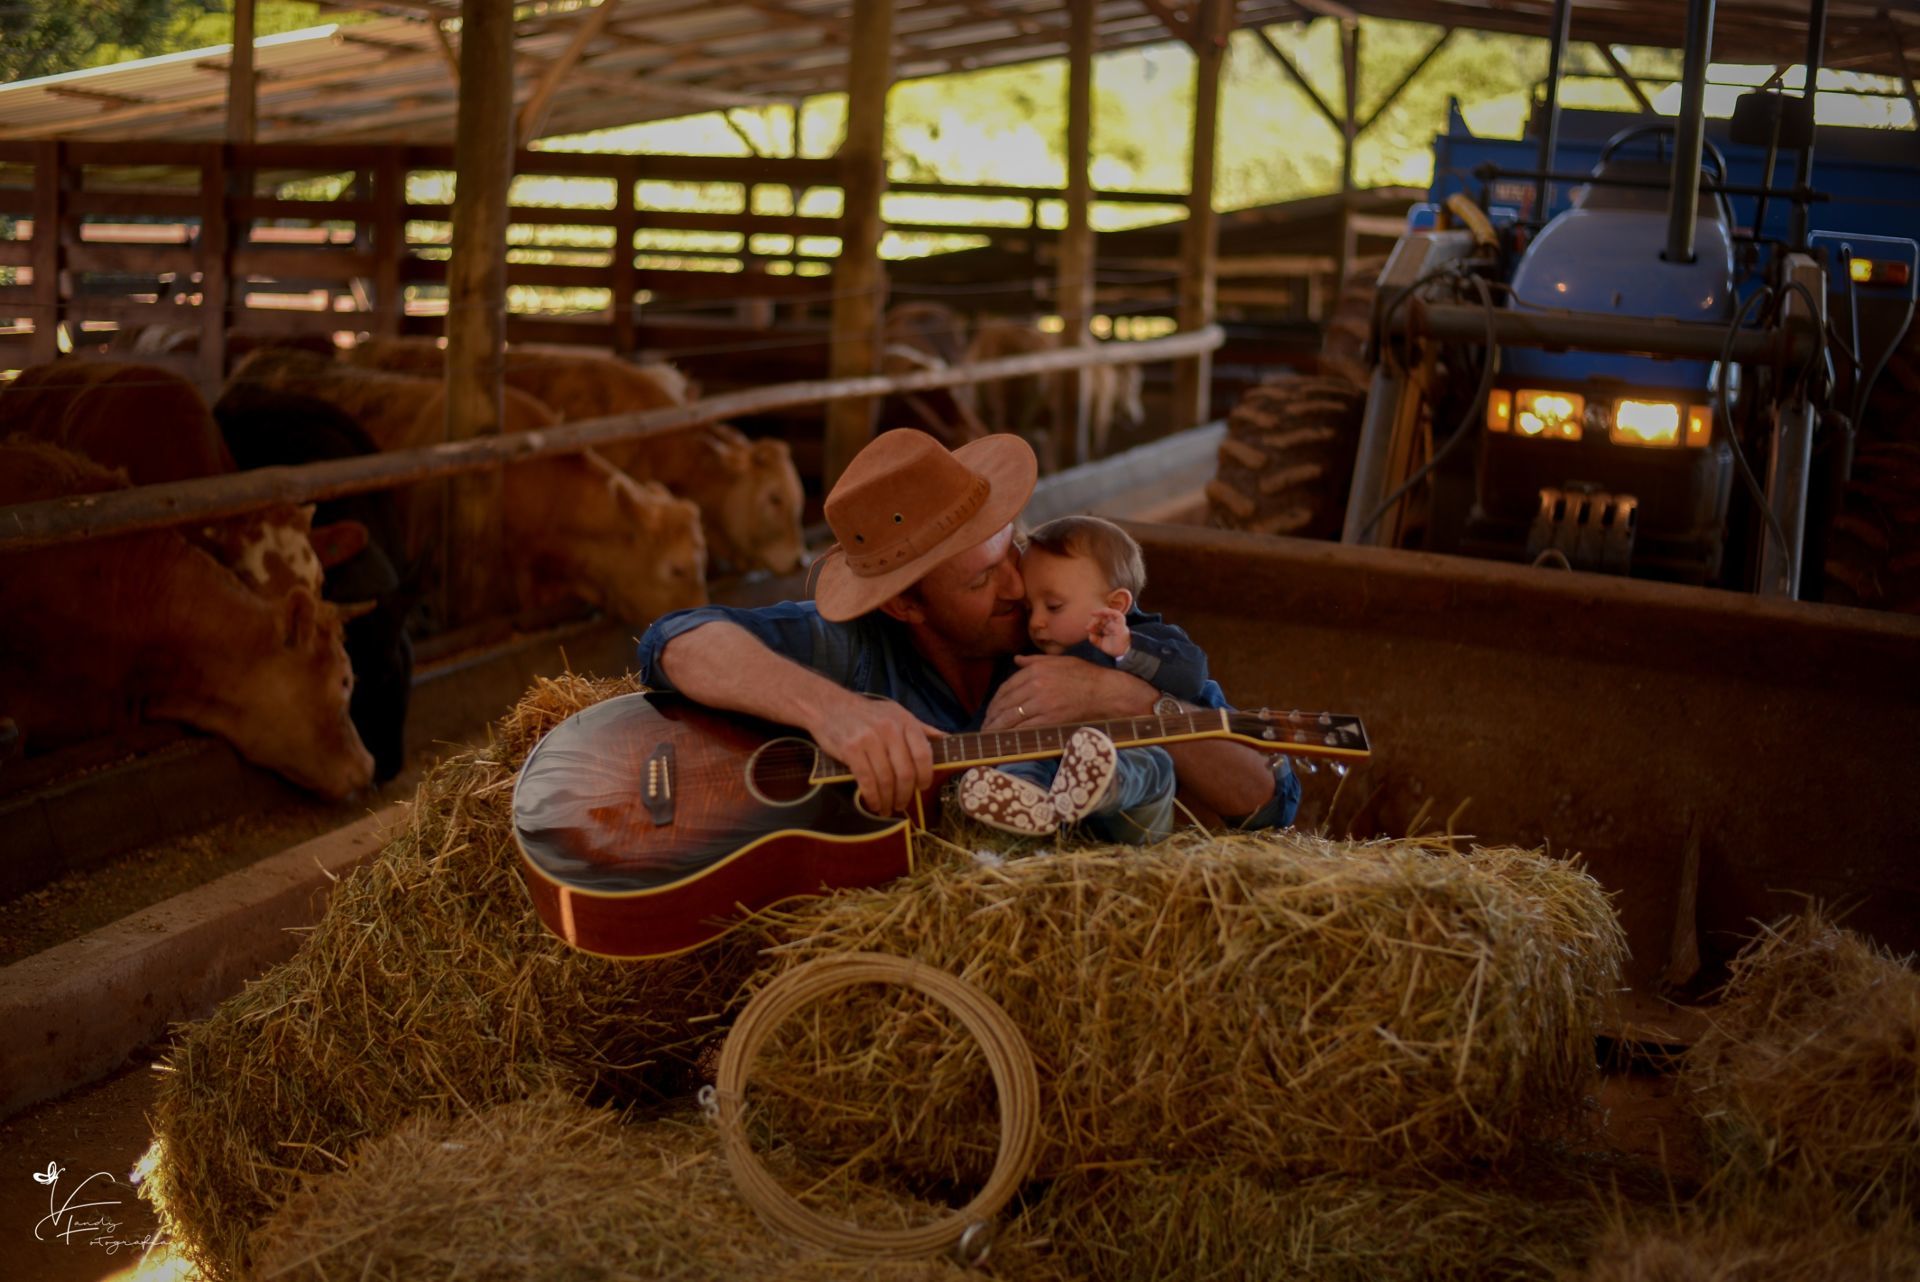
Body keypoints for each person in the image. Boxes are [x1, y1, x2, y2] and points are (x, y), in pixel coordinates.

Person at [634, 428, 1298, 844]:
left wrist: (1122, 698)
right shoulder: (857, 645)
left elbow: (1268, 802)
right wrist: (833, 712)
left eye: (1012, 551)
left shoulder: (1077, 618)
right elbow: (675, 638)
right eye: (981, 581)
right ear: (904, 608)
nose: (1016, 587)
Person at [952, 514, 1211, 841]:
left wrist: (1128, 650)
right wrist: (961, 756)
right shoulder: (1028, 662)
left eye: (1054, 606)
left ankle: (1100, 784)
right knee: (1024, 758)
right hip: (1059, 802)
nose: (1036, 623)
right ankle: (1029, 804)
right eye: (1030, 608)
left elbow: (1192, 677)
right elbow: (993, 717)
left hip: (1132, 816)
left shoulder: (1145, 640)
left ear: (1114, 604)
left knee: (1151, 761)